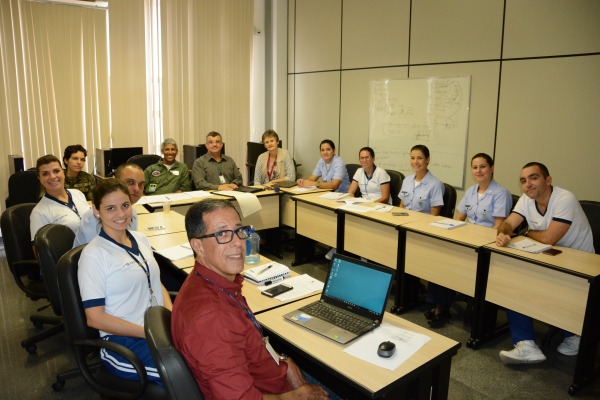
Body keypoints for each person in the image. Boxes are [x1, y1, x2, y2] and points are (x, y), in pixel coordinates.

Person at [172, 199, 329, 400]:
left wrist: (282, 361)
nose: (238, 242)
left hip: (272, 376)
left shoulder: (215, 284)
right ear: (198, 247)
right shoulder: (212, 318)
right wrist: (298, 395)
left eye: (239, 231)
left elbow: (248, 345)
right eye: (222, 234)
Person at [496, 162, 594, 364]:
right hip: (549, 257)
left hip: (581, 265)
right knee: (514, 281)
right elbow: (507, 223)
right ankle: (526, 345)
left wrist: (524, 232)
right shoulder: (526, 199)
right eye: (523, 181)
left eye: (533, 178)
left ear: (547, 180)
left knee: (543, 289)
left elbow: (550, 238)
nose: (527, 184)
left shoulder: (564, 198)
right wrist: (504, 234)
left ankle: (575, 333)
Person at [78, 178, 172, 384]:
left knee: (207, 358)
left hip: (158, 329)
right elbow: (95, 318)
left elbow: (156, 282)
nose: (121, 214)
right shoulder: (93, 255)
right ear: (96, 210)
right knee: (186, 375)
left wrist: (171, 318)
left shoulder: (141, 239)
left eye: (125, 205)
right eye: (110, 208)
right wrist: (148, 333)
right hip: (123, 343)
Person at [425, 153, 512, 327]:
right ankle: (438, 304)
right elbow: (458, 218)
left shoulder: (501, 194)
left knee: (452, 263)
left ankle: (441, 306)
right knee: (440, 257)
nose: (478, 171)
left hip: (485, 246)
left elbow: (498, 227)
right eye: (474, 167)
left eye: (483, 167)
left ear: (492, 168)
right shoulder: (472, 191)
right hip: (467, 240)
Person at [73, 163, 146, 247]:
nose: (137, 188)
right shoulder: (94, 217)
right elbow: (100, 252)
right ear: (116, 181)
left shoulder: (132, 212)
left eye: (141, 184)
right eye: (130, 182)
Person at [30, 155, 90, 243]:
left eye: (56, 171)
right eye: (45, 174)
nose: (52, 176)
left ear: (63, 172)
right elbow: (39, 250)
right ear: (39, 178)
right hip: (72, 255)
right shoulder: (39, 212)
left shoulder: (78, 194)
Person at [398, 144, 444, 214]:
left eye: (419, 158)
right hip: (403, 220)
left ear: (427, 160)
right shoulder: (407, 180)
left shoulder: (435, 185)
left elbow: (433, 216)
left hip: (421, 223)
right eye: (412, 158)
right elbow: (401, 207)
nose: (415, 162)